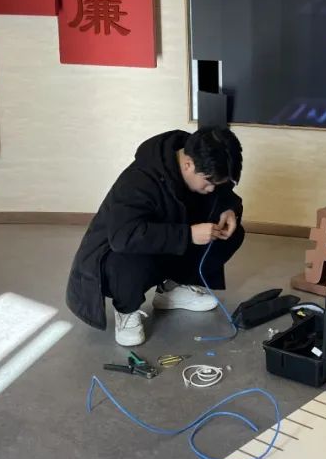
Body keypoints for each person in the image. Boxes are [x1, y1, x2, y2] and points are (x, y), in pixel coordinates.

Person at [66, 127, 245, 346]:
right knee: (128, 253)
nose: (211, 189)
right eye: (209, 182)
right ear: (188, 164)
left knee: (230, 234)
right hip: (116, 255)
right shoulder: (138, 179)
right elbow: (124, 236)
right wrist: (188, 234)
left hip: (163, 241)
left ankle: (170, 289)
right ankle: (126, 309)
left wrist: (229, 209)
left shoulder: (202, 159)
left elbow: (222, 193)